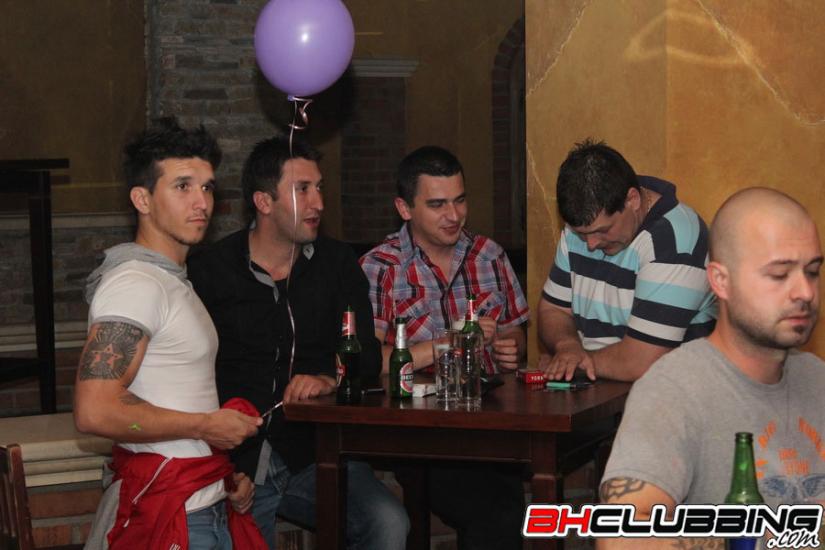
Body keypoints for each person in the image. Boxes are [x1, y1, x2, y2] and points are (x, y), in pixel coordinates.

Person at [187, 131, 409, 549]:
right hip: (239, 462)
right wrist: (219, 464)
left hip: (315, 452)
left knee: (387, 522)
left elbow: (365, 355)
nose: (318, 203)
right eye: (302, 189)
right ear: (264, 202)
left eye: (319, 188)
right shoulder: (211, 270)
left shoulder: (337, 264)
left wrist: (328, 377)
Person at [598, 187, 825, 549]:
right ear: (721, 281)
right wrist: (741, 538)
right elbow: (622, 538)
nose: (805, 292)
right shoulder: (672, 390)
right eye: (780, 274)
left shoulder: (817, 379)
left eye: (812, 272)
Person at [74, 118, 264, 549]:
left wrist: (221, 476)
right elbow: (94, 410)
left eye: (207, 187)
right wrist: (205, 426)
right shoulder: (136, 284)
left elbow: (174, 398)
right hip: (175, 513)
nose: (201, 202)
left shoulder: (171, 280)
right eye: (182, 186)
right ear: (142, 199)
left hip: (202, 502)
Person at [360, 145, 529, 550]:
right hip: (420, 435)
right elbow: (369, 362)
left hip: (493, 424)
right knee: (497, 515)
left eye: (460, 200)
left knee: (520, 508)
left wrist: (509, 348)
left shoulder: (490, 255)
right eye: (437, 205)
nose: (454, 215)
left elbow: (516, 334)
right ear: (404, 208)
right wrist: (447, 343)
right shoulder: (380, 267)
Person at [538, 139, 716, 382]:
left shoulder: (675, 241)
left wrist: (574, 363)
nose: (591, 244)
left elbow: (642, 362)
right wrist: (566, 345)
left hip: (673, 395)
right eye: (581, 234)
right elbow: (553, 310)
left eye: (603, 230)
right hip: (601, 392)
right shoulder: (580, 229)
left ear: (633, 200)